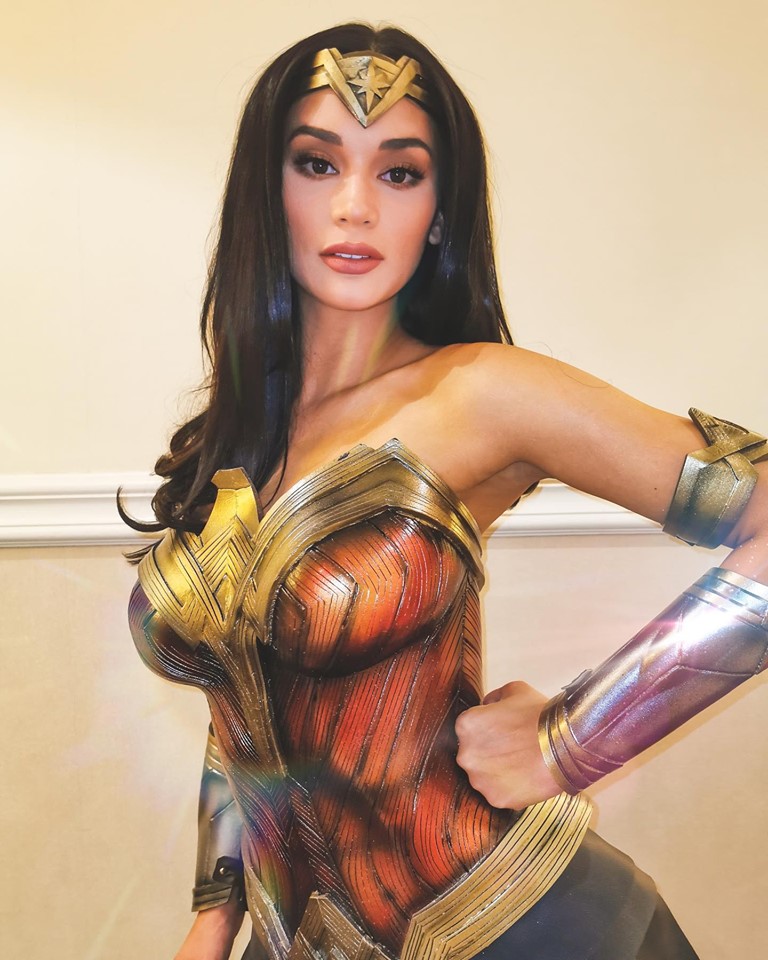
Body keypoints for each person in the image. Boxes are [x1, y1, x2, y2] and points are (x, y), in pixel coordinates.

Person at [124, 21, 768, 960]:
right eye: (316, 164)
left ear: (438, 209)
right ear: (268, 191)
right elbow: (245, 701)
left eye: (399, 172)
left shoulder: (484, 394)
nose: (354, 206)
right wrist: (214, 917)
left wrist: (570, 741)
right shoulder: (243, 436)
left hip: (531, 927)